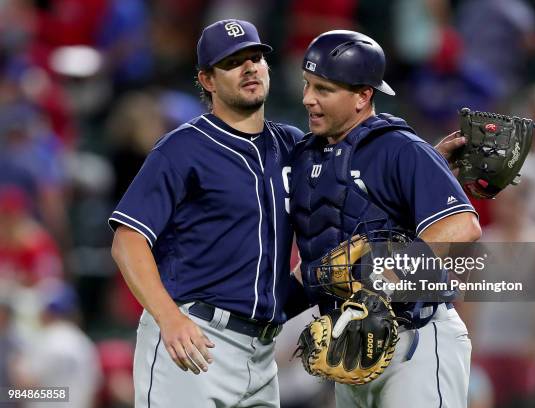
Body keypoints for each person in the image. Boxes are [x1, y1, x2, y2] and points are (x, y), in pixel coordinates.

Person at [109, 19, 306, 407]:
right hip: (195, 338)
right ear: (208, 80)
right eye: (233, 62)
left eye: (255, 57)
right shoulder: (182, 149)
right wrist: (169, 318)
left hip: (263, 352)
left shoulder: (293, 145)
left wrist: (429, 165)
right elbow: (127, 241)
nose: (250, 68)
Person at [289, 30, 481, 408]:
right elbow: (317, 266)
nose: (307, 99)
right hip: (352, 348)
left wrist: (384, 282)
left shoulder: (401, 147)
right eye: (308, 84)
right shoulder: (308, 158)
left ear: (363, 95)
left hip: (417, 342)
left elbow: (461, 228)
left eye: (324, 89)